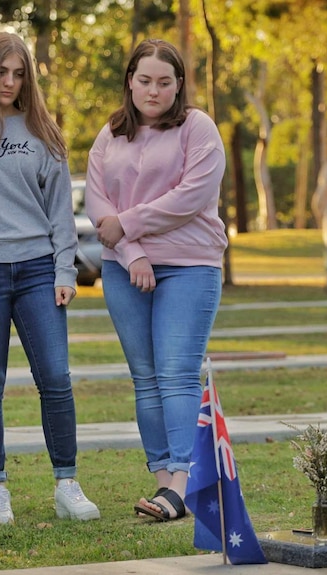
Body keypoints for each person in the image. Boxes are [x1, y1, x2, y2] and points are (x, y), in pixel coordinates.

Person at [0, 32, 99, 524]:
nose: (10, 82)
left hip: (36, 270)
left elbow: (60, 216)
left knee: (55, 378)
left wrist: (64, 270)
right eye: (1, 72)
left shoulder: (44, 132)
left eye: (19, 73)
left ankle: (67, 484)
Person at [85, 38, 227, 522]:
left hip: (190, 265)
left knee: (177, 374)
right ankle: (164, 486)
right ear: (130, 81)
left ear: (179, 85)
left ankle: (182, 482)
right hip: (125, 269)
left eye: (164, 82)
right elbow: (98, 205)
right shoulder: (111, 133)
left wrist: (129, 227)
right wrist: (132, 252)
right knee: (145, 380)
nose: (154, 90)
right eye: (144, 80)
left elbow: (192, 196)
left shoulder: (197, 127)